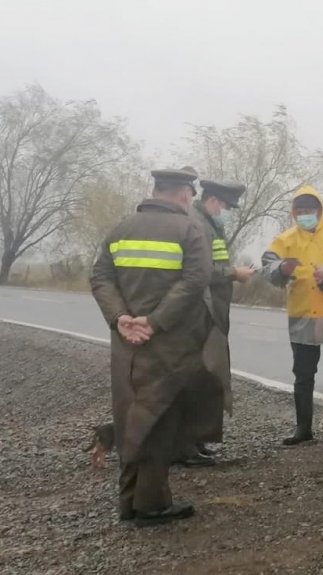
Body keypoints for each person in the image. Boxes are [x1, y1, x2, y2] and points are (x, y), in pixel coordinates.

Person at [90, 166, 212, 527]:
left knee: (130, 415)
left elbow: (100, 277)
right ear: (184, 195)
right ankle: (152, 505)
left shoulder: (120, 228)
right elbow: (196, 280)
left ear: (156, 190)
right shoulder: (190, 229)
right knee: (160, 419)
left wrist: (121, 318)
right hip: (169, 344)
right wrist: (154, 322)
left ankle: (128, 503)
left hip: (126, 345)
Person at [261, 186, 323, 445]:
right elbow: (267, 264)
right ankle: (303, 429)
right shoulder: (287, 239)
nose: (305, 215)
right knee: (303, 374)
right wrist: (281, 268)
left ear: (319, 210)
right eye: (300, 211)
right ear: (294, 213)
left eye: (309, 210)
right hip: (302, 315)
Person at [174, 179, 254, 467]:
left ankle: (195, 442)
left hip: (211, 312)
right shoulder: (198, 224)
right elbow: (203, 271)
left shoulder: (208, 223)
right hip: (201, 314)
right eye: (227, 206)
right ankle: (185, 447)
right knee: (196, 378)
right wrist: (235, 273)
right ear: (214, 202)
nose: (228, 211)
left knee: (205, 378)